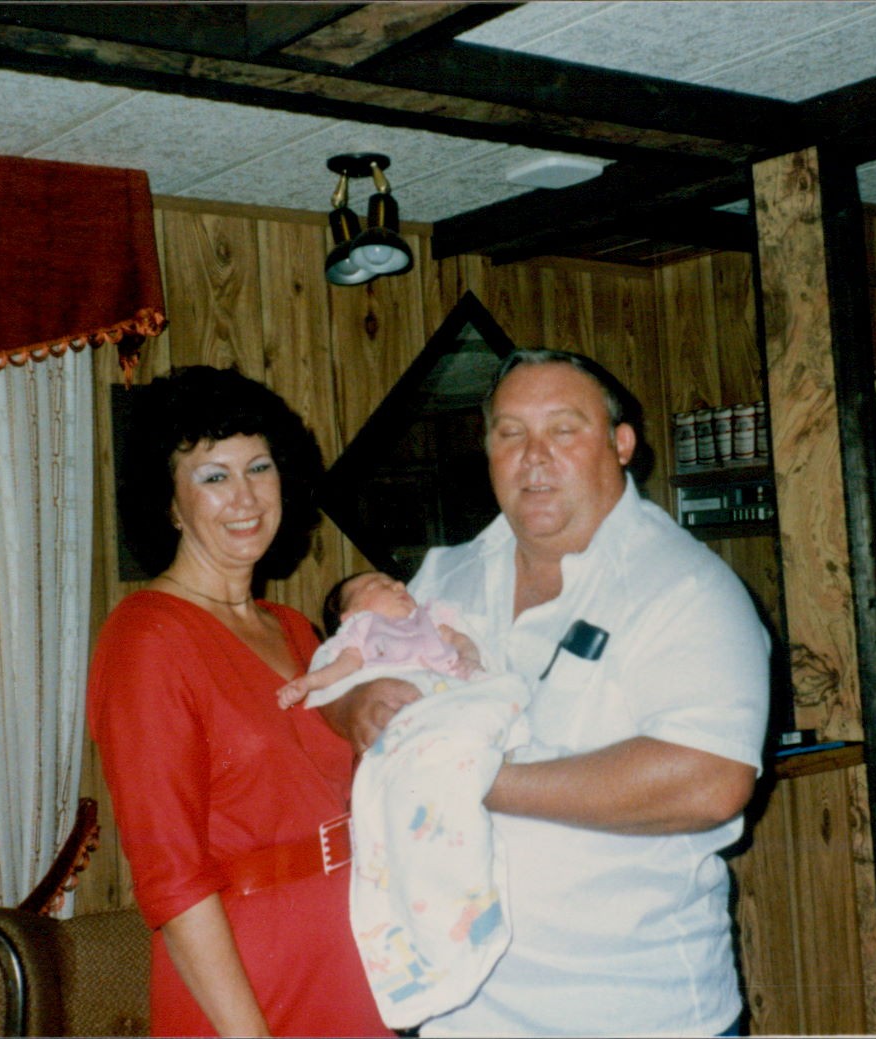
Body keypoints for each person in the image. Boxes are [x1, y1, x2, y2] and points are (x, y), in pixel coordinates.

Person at [321, 349, 771, 1037]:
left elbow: (710, 781)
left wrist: (477, 777)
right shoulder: (444, 574)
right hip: (458, 1013)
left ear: (622, 444)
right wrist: (354, 706)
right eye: (510, 432)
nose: (534, 456)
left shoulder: (687, 586)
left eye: (564, 429)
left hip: (639, 1015)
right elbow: (336, 675)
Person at [86, 365, 391, 1038]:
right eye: (213, 476)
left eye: (259, 467)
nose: (245, 497)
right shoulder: (145, 637)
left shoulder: (295, 629)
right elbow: (171, 878)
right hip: (246, 979)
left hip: (354, 952)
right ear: (170, 502)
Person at [276, 571, 485, 710]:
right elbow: (344, 665)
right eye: (380, 585)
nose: (399, 585)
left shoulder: (429, 617)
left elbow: (459, 639)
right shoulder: (364, 628)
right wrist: (307, 683)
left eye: (397, 583)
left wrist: (469, 660)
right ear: (351, 615)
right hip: (406, 699)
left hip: (453, 689)